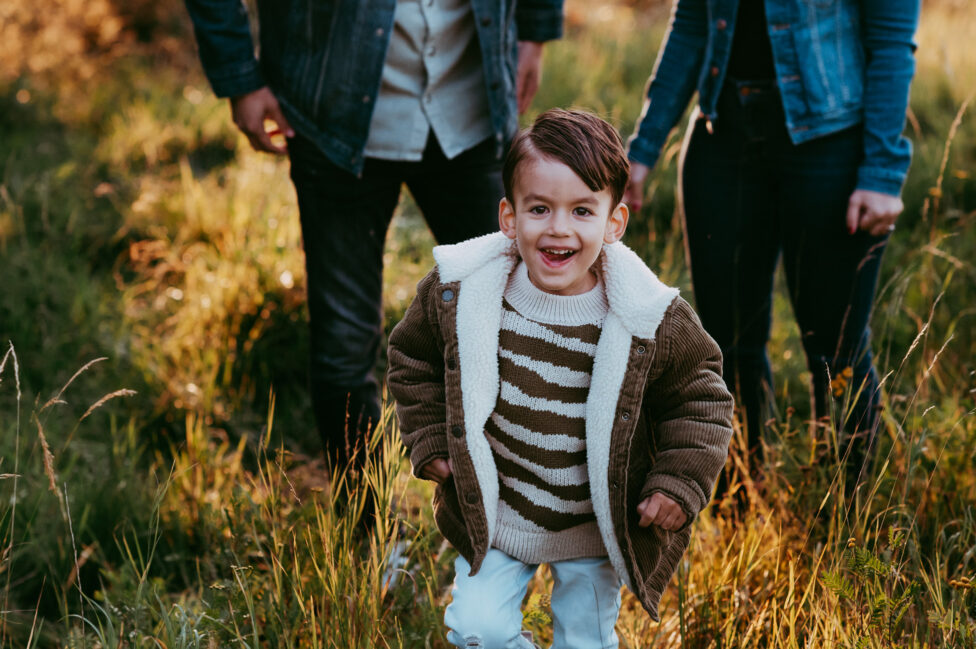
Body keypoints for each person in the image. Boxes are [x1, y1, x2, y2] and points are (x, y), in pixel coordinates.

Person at [388, 109, 733, 648]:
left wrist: (679, 481)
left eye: (582, 210)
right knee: (477, 632)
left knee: (585, 639)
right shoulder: (464, 292)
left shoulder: (648, 317)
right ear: (509, 216)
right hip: (501, 511)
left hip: (594, 524)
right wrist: (429, 435)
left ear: (613, 223)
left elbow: (700, 401)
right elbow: (413, 358)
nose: (559, 228)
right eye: (540, 208)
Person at [182, 0, 565, 476]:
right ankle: (368, 532)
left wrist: (535, 29)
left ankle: (510, 526)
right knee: (344, 341)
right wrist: (239, 74)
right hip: (331, 114)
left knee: (519, 324)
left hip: (473, 108)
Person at [624, 0, 920, 496]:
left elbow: (891, 39)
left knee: (836, 345)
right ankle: (739, 507)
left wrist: (883, 172)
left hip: (831, 145)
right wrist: (643, 147)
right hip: (723, 139)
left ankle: (851, 521)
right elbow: (693, 22)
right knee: (726, 343)